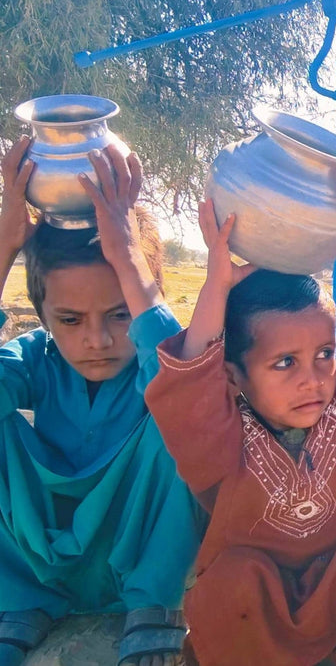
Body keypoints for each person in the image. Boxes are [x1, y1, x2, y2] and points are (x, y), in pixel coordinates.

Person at [144, 154, 336, 665]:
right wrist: (215, 284)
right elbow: (192, 381)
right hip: (264, 613)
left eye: (324, 354)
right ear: (234, 376)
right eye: (284, 363)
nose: (313, 378)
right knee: (225, 588)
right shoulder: (221, 440)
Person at [0, 137, 200, 666]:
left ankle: (155, 603)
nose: (98, 340)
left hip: (135, 558)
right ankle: (20, 597)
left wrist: (127, 252)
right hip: (39, 556)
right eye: (70, 320)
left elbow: (191, 392)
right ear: (42, 317)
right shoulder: (34, 360)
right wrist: (5, 245)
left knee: (178, 417)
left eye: (119, 314)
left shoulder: (157, 364)